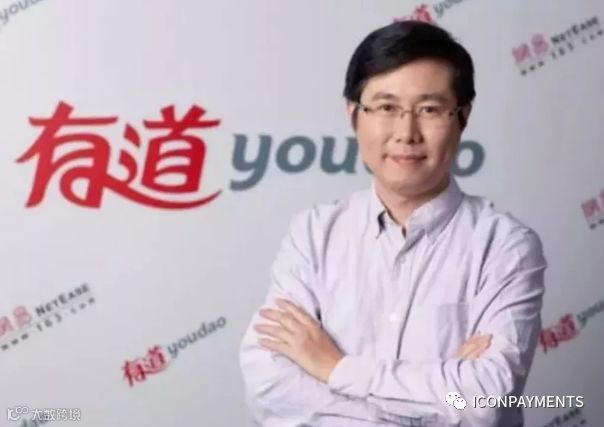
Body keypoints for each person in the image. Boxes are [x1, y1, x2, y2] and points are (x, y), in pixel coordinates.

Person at [239, 20, 546, 427]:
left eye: (429, 109)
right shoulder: (312, 235)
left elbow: (484, 401)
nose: (406, 132)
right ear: (353, 115)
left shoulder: (506, 246)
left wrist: (334, 368)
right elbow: (269, 385)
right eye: (386, 108)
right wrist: (439, 399)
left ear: (463, 117)